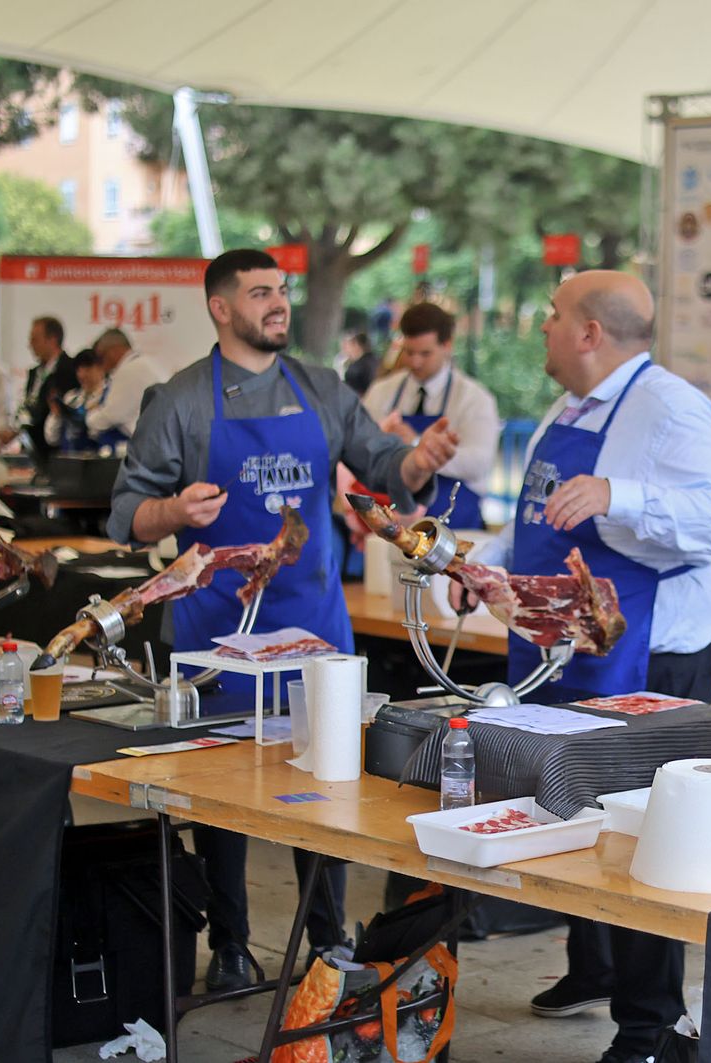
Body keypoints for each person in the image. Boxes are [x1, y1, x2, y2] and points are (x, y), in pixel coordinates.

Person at [109, 249, 458, 991]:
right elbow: (123, 517)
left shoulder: (322, 389)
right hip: (216, 632)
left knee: (326, 785)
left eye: (283, 291)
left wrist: (420, 460)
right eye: (261, 292)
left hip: (313, 627)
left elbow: (384, 464)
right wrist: (171, 511)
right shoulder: (179, 401)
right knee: (227, 796)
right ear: (220, 307)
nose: (278, 304)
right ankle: (231, 945)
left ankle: (327, 941)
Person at [451, 270, 711, 1063]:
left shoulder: (670, 406)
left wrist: (621, 494)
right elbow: (539, 525)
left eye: (552, 315)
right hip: (564, 650)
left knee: (643, 839)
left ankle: (648, 1024)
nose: (542, 327)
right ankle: (593, 966)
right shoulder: (568, 407)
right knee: (575, 811)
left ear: (590, 332)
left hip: (654, 652)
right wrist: (479, 566)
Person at [363, 303, 500, 529]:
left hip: (455, 528)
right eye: (409, 352)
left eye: (425, 353)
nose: (415, 362)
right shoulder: (381, 392)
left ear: (447, 345)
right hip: (393, 527)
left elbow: (479, 462)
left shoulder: (474, 399)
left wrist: (418, 446)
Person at [86, 328, 167, 441]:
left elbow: (112, 416)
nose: (100, 364)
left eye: (101, 357)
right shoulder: (147, 363)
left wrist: (89, 418)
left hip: (145, 444)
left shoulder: (129, 371)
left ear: (113, 350)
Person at [45, 350, 125, 453]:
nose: (82, 374)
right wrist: (56, 415)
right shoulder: (71, 398)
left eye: (87, 368)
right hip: (71, 462)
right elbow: (52, 439)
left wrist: (89, 415)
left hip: (100, 461)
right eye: (78, 369)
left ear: (101, 367)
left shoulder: (112, 396)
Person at [22, 316, 77, 462]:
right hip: (33, 452)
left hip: (57, 453)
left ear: (52, 340)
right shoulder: (35, 373)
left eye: (35, 340)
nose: (30, 345)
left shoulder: (70, 370)